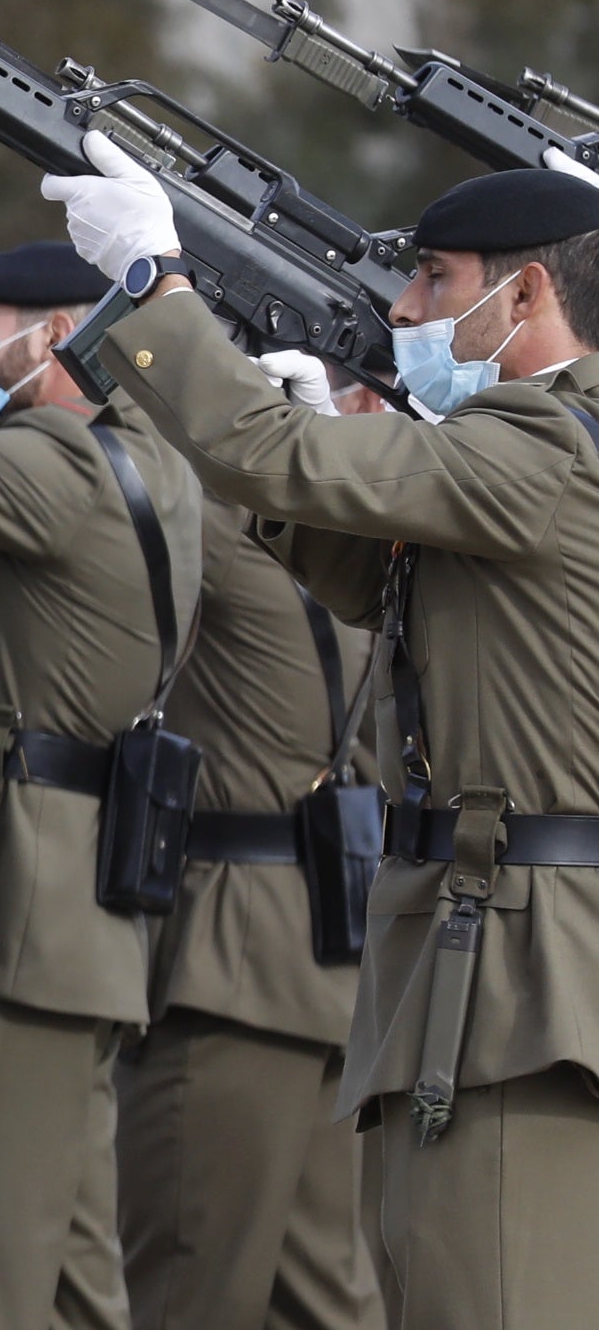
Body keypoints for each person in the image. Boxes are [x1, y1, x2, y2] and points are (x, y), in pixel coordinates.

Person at [40, 148, 599, 1324]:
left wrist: (156, 284)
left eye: (435, 282)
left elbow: (278, 460)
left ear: (529, 296)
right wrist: (276, 432)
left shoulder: (542, 450)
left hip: (519, 983)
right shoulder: (525, 458)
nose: (403, 310)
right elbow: (353, 558)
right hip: (466, 965)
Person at [0, 237, 202, 1330]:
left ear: (55, 336)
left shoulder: (56, 461)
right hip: (76, 919)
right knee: (72, 1278)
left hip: (10, 911)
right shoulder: (151, 463)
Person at [116, 490, 379, 1330]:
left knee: (183, 1288)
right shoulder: (360, 550)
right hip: (330, 960)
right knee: (322, 1292)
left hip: (231, 965)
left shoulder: (223, 538)